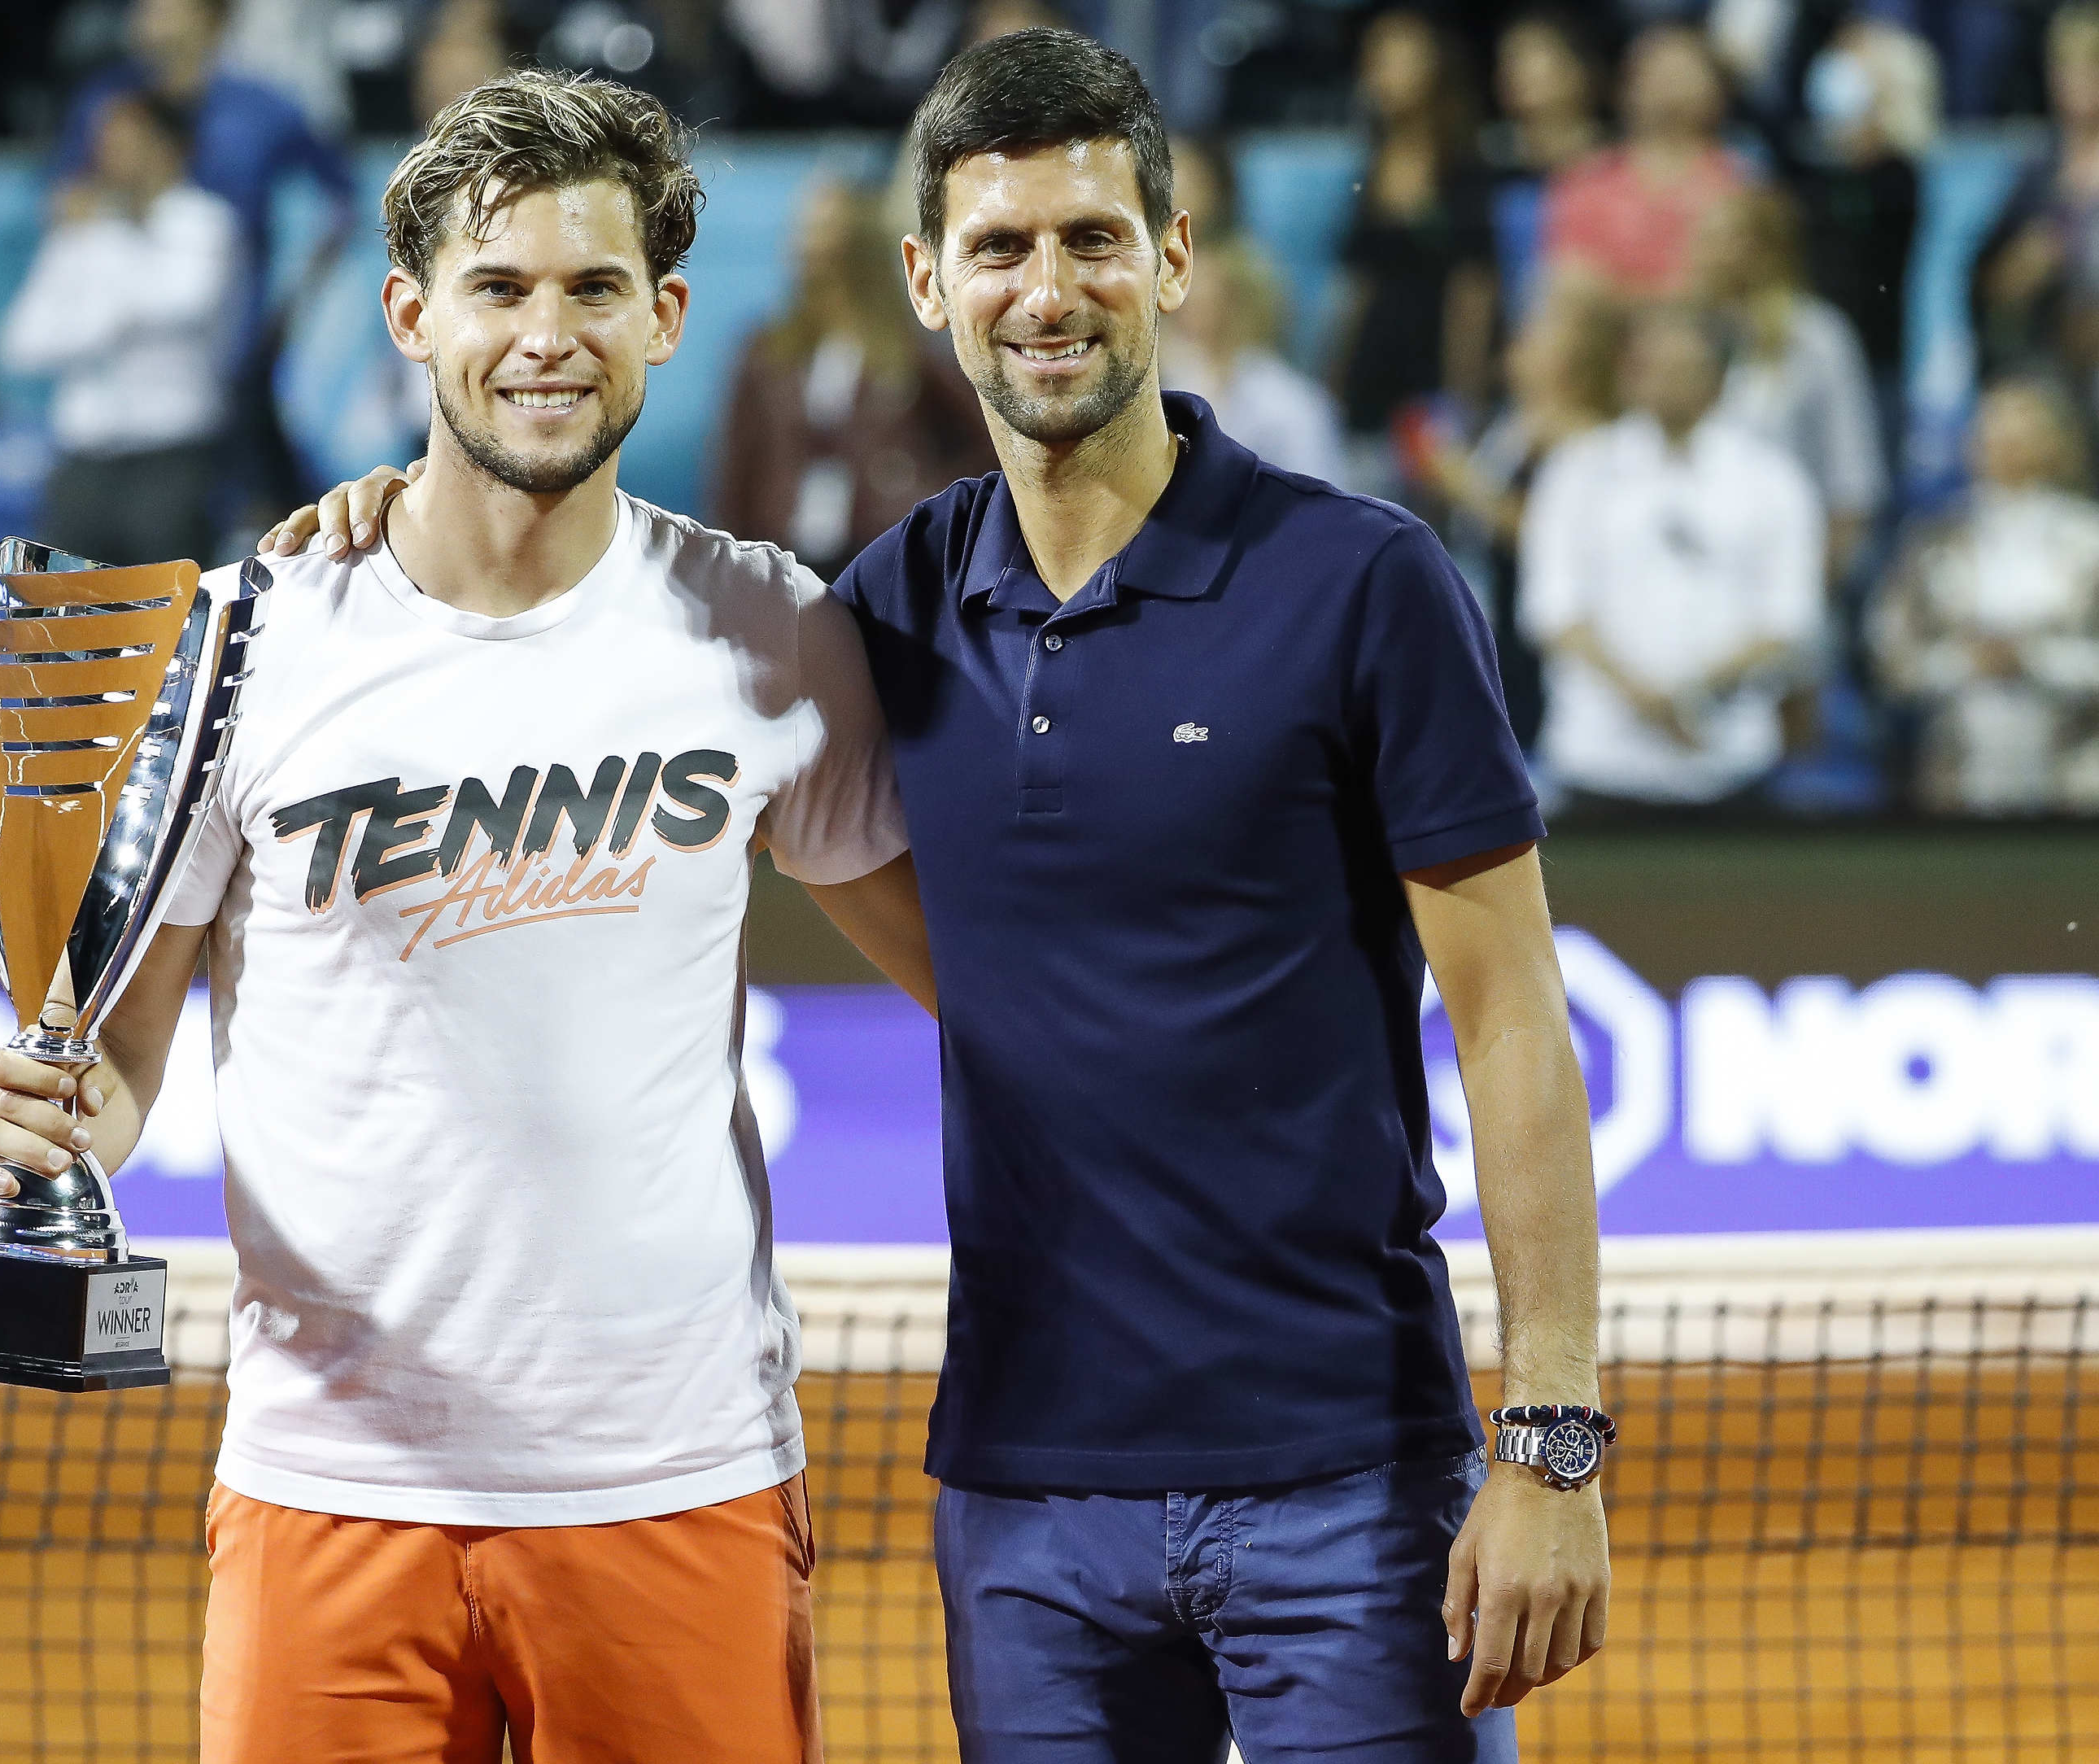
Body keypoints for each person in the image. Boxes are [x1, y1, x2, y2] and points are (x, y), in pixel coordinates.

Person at [292, 28, 1614, 1763]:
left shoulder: (1364, 581)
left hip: (1350, 1485)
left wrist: (1551, 1440)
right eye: (998, 247)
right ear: (928, 279)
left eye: (1090, 240)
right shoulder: (882, 613)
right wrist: (400, 518)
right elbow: (593, 611)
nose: (1045, 289)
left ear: (1171, 257)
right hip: (1025, 1503)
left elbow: (1512, 1012)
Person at [0, 68, 930, 1763]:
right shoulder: (247, 641)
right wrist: (38, 1117)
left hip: (674, 1481)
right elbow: (119, 1057)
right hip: (331, 1492)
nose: (546, 334)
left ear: (667, 317)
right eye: (498, 287)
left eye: (593, 288)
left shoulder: (770, 635)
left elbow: (978, 980)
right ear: (410, 313)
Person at [56, 0, 357, 526]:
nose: (152, 17)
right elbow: (63, 199)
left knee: (263, 500)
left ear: (216, 17)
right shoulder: (107, 102)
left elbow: (339, 199)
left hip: (240, 330)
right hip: (134, 344)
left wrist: (299, 297)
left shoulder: (265, 107)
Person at [1521, 303, 1827, 812]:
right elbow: (1553, 612)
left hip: (1729, 762)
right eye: (1652, 367)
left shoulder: (1772, 480)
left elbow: (1790, 620)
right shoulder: (1577, 471)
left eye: (1684, 370)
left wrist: (1688, 695)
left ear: (1718, 381)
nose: (1665, 382)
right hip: (1600, 761)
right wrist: (1643, 698)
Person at [0, 92, 240, 568]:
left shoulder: (206, 222)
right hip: (84, 457)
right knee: (63, 622)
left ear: (170, 147)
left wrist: (92, 303)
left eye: (127, 141)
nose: (110, 154)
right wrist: (109, 317)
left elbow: (186, 301)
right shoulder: (82, 230)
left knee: (173, 623)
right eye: (105, 141)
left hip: (171, 456)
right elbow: (22, 342)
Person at [711, 177, 993, 579]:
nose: (810, 248)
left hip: (879, 554)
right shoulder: (768, 353)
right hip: (782, 553)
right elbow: (736, 470)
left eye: (827, 235)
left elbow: (985, 444)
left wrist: (922, 498)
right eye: (806, 233)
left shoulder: (908, 350)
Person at [1873, 378, 2099, 814]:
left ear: (2056, 442)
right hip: (1957, 773)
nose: (2003, 446)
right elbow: (1891, 660)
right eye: (1991, 433)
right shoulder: (1933, 540)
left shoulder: (2089, 540)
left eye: (2020, 435)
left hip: (2075, 777)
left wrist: (2037, 662)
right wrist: (1965, 664)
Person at [1420, 285, 1628, 753]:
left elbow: (1554, 540)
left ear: (1572, 360)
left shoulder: (1587, 439)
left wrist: (1466, 486)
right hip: (1489, 602)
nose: (1517, 345)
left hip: (1533, 622)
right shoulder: (1511, 423)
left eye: (1537, 337)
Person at [1333, 10, 1499, 494]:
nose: (1381, 74)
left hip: (1432, 372)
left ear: (1436, 69)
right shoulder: (1369, 165)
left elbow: (1474, 288)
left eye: (1397, 59)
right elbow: (1358, 283)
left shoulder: (1465, 167)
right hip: (1372, 371)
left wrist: (1464, 393)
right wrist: (1338, 373)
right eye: (1376, 60)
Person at [1692, 184, 1887, 584]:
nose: (1703, 250)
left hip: (1786, 563)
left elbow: (1852, 472)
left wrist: (1820, 579)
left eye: (1720, 237)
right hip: (1694, 566)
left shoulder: (1817, 337)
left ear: (1763, 248)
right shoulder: (1684, 336)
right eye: (1703, 236)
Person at [1789, 20, 1931, 430]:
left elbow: (1883, 205)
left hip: (1877, 358)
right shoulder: (1806, 172)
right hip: (1812, 356)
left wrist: (1880, 112)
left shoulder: (1897, 176)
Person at [1542, 22, 1746, 302]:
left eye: (1683, 71)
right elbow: (1573, 283)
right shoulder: (1587, 179)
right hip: (1602, 332)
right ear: (1627, 88)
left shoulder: (1737, 183)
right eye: (1657, 70)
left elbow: (1725, 283)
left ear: (1717, 90)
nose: (1669, 84)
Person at [1975, 6, 2099, 388]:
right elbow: (1985, 287)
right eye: (2062, 64)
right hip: (2047, 373)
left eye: (2089, 64)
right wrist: (2019, 269)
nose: (2072, 80)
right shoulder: (2036, 172)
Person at [1161, 229, 1346, 481]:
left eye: (1199, 293)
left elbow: (1318, 499)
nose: (1182, 303)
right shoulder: (1178, 378)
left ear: (1234, 304)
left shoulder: (1288, 404)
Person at [1484, 10, 1605, 317]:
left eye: (1531, 55)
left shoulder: (1615, 164)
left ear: (1579, 69)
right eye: (1508, 59)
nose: (1515, 70)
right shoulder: (1488, 158)